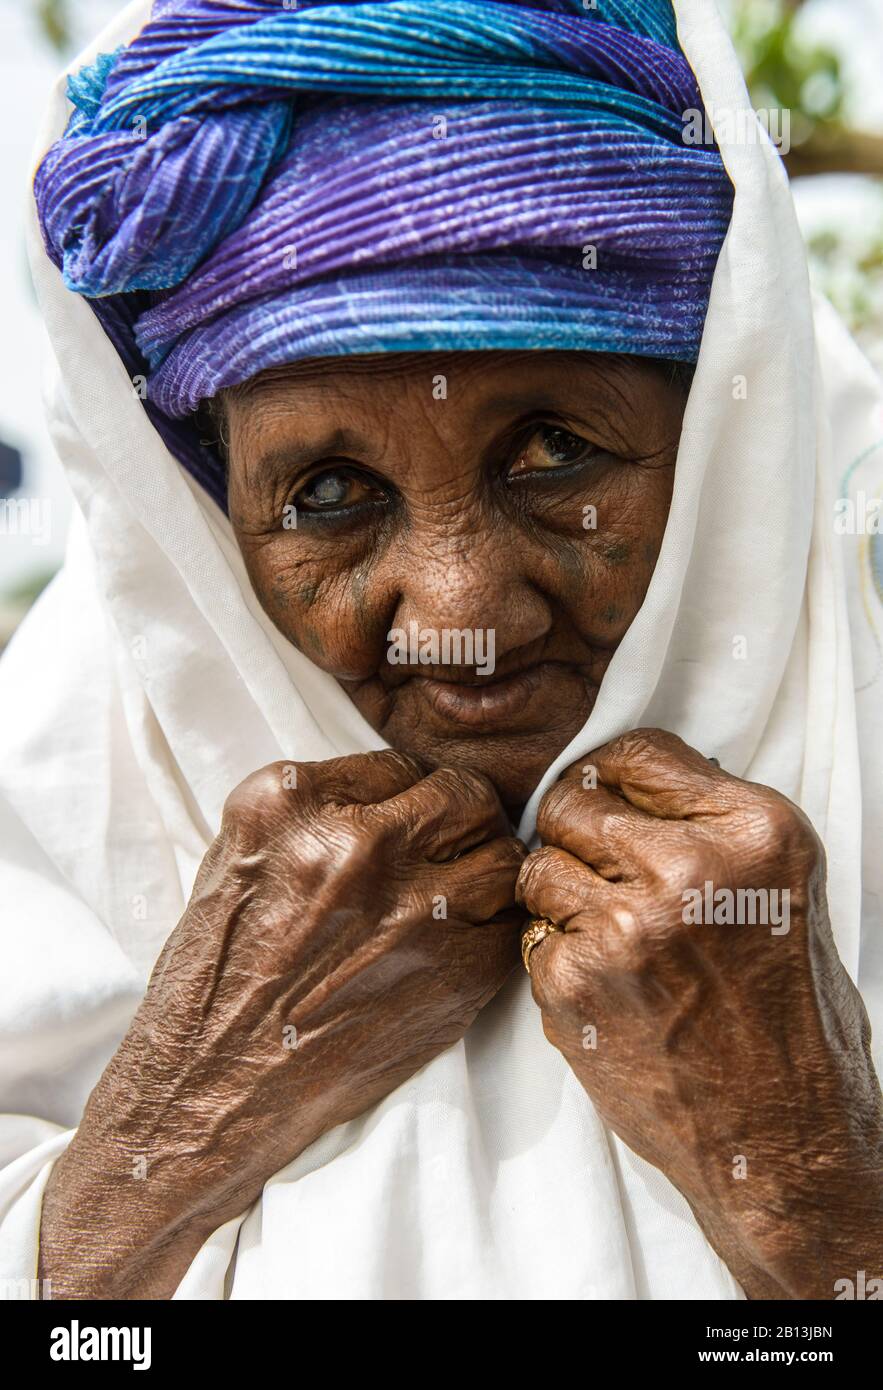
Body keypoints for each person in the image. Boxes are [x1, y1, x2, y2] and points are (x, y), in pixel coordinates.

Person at [0, 0, 881, 1301]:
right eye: (328, 496)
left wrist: (814, 1193)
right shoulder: (76, 773)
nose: (460, 609)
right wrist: (163, 1140)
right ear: (204, 511)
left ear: (717, 447)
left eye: (555, 451)